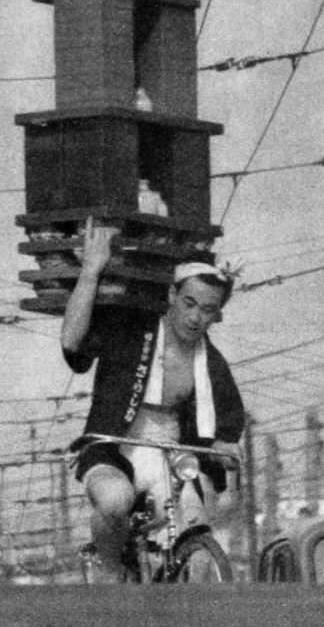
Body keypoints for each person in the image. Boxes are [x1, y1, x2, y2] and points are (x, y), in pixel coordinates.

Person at [61, 216, 245, 582]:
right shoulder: (131, 331)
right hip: (115, 444)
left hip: (172, 449)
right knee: (115, 502)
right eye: (189, 303)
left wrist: (227, 445)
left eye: (207, 310)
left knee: (198, 524)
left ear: (216, 315)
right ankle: (115, 573)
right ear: (172, 295)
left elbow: (228, 421)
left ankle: (180, 594)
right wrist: (91, 272)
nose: (195, 317)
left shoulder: (211, 363)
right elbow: (72, 344)